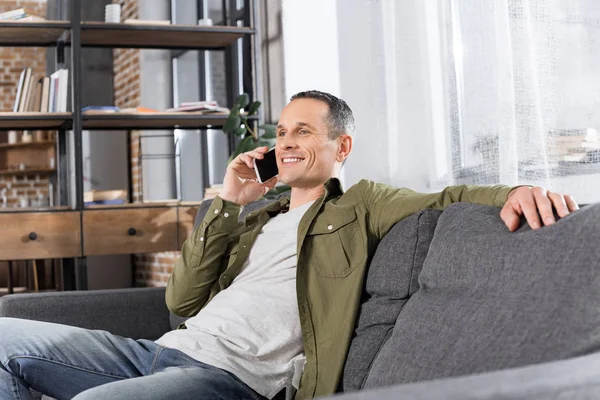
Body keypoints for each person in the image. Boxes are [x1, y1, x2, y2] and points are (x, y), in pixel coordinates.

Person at [0, 91, 578, 400]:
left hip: (230, 380)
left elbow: (447, 197)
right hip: (165, 350)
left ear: (340, 147)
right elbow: (181, 299)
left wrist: (517, 188)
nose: (287, 141)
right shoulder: (256, 216)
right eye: (281, 132)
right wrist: (229, 202)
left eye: (304, 130)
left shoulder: (363, 203)